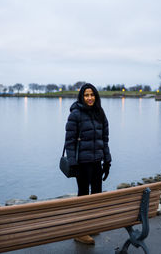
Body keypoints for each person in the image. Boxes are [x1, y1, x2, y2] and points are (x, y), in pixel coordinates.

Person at [64, 83, 112, 245]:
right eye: (86, 95)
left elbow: (104, 139)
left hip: (97, 160)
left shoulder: (100, 113)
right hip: (82, 162)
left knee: (97, 194)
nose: (90, 98)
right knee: (83, 194)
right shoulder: (75, 115)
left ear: (96, 96)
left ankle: (89, 225)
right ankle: (80, 231)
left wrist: (107, 161)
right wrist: (73, 164)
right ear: (81, 97)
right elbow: (69, 142)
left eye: (92, 95)